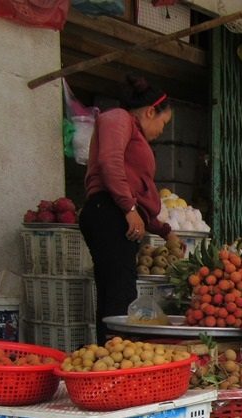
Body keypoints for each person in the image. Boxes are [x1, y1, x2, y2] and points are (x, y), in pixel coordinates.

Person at [79, 74, 182, 344]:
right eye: (163, 122)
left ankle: (110, 352)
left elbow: (140, 192)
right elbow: (109, 161)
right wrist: (128, 207)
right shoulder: (118, 118)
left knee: (117, 291)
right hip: (108, 211)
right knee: (119, 294)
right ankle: (116, 355)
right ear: (150, 112)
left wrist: (164, 230)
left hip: (115, 211)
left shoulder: (133, 132)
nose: (162, 130)